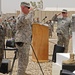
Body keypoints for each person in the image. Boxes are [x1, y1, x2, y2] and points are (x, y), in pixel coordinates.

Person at [15, 2, 33, 75]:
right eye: (28, 8)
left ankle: (22, 72)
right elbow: (26, 20)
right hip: (21, 41)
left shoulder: (25, 16)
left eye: (29, 8)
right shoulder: (21, 16)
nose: (29, 9)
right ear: (23, 8)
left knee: (25, 59)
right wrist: (31, 12)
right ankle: (20, 73)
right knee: (22, 60)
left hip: (25, 41)